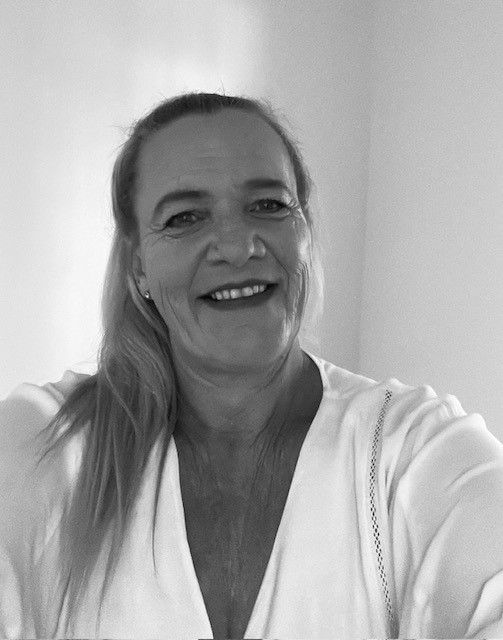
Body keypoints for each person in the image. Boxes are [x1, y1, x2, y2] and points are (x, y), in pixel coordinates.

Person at [1, 92, 502, 640]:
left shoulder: (412, 451)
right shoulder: (43, 445)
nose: (238, 248)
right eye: (185, 217)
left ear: (305, 232)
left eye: (268, 205)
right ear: (138, 265)